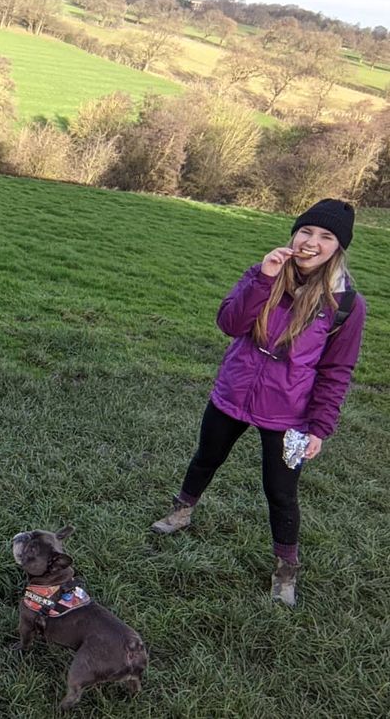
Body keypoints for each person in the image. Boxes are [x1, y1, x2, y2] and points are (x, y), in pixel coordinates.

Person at [151, 199, 366, 607]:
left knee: (281, 492)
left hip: (291, 414)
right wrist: (264, 278)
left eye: (326, 237)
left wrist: (319, 427)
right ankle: (182, 510)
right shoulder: (264, 274)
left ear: (338, 248)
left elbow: (337, 370)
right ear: (294, 234)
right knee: (206, 457)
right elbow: (229, 324)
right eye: (306, 231)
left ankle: (286, 569)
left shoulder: (346, 305)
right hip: (233, 393)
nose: (311, 242)